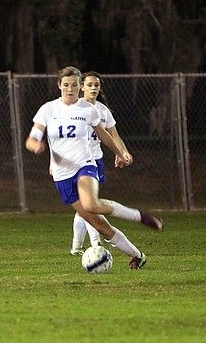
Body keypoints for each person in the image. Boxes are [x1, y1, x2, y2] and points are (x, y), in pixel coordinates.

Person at [25, 65, 163, 270]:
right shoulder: (48, 109)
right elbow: (31, 139)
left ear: (79, 86)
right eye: (66, 85)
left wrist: (119, 153)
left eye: (74, 85)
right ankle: (137, 255)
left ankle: (140, 217)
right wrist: (36, 145)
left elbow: (105, 134)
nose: (70, 89)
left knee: (91, 204)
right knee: (101, 226)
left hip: (85, 165)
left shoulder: (88, 109)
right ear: (59, 85)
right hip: (62, 175)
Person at [67, 71, 134, 256]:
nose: (94, 88)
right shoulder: (74, 109)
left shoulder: (103, 110)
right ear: (81, 87)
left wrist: (123, 152)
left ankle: (77, 246)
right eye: (89, 84)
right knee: (89, 205)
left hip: (95, 160)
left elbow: (113, 135)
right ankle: (95, 244)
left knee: (87, 206)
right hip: (77, 161)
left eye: (96, 85)